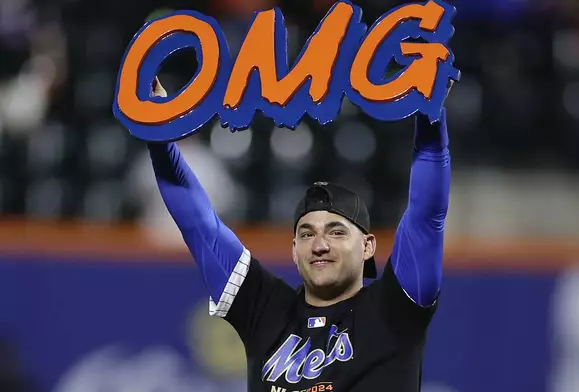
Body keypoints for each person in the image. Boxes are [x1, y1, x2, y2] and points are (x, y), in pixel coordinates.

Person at [146, 78, 451, 392]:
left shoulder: (394, 309)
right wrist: (160, 138)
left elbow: (426, 214)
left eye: (336, 232)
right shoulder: (264, 309)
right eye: (306, 234)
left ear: (367, 246)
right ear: (293, 250)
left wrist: (431, 116)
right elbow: (198, 223)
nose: (319, 245)